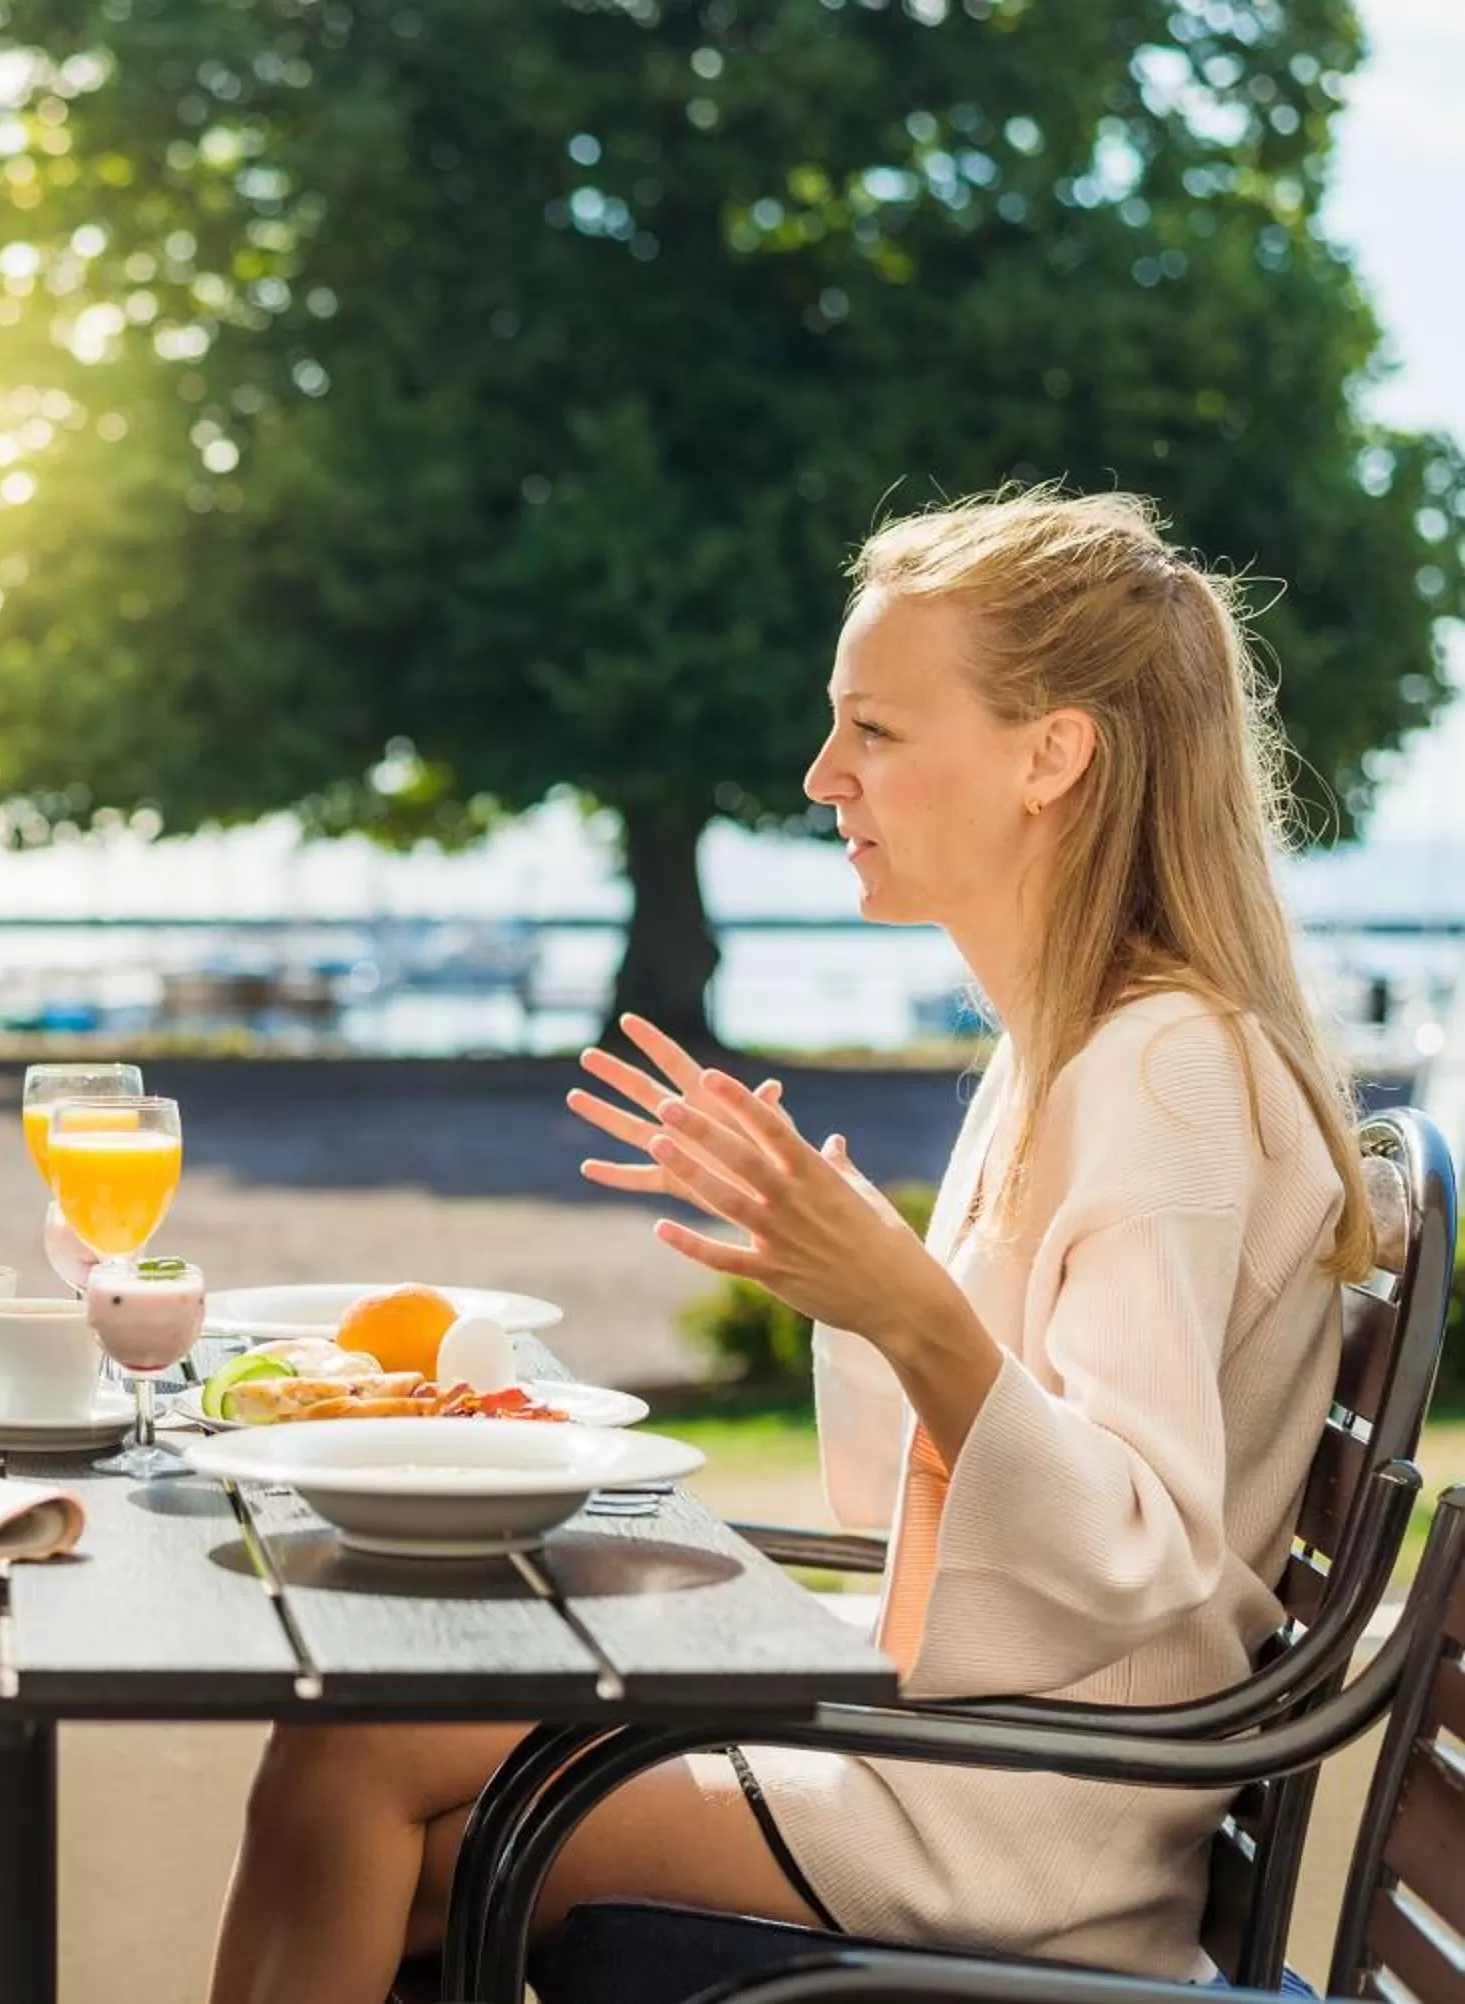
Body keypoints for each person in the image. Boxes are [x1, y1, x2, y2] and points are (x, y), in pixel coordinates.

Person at [208, 487, 1379, 1999]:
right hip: (972, 1746)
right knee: (366, 1768)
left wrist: (908, 1307)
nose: (825, 775)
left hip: (1015, 1812)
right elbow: (908, 1513)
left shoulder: (1162, 1074)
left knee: (360, 1772)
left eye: (878, 733)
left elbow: (1135, 1551)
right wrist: (834, 1281)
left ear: (1052, 755)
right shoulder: (1074, 1051)